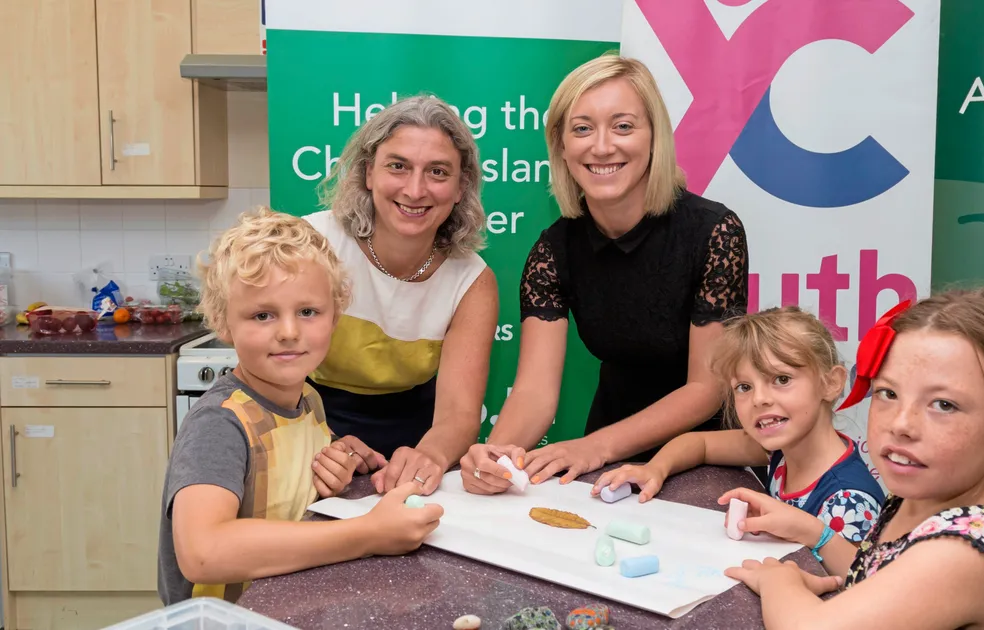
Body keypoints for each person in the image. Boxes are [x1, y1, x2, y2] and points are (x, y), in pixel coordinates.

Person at [460, 53, 749, 493]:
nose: (601, 146)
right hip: (605, 462)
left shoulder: (715, 232)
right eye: (582, 128)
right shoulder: (552, 251)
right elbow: (535, 391)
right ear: (560, 145)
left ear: (655, 137)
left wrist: (595, 447)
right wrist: (497, 455)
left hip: (708, 457)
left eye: (623, 126)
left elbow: (706, 389)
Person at [721, 290, 984, 630]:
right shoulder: (916, 500)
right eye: (888, 393)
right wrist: (814, 532)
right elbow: (877, 571)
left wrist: (779, 582)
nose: (901, 424)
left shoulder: (967, 553)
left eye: (943, 404)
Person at [158, 208, 443, 605]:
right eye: (263, 315)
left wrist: (334, 465)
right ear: (223, 323)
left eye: (308, 312)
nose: (289, 332)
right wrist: (367, 534)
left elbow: (285, 486)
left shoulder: (308, 400)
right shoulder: (220, 424)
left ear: (335, 316)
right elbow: (203, 554)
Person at [306, 95, 499, 497]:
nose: (415, 189)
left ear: (461, 187)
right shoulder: (310, 246)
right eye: (398, 166)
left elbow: (460, 415)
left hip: (415, 447)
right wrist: (317, 441)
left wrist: (427, 457)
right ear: (368, 173)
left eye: (438, 172)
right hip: (305, 434)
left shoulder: (473, 282)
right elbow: (260, 376)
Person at [593, 306, 884, 542]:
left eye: (781, 379)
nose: (759, 399)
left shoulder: (848, 502)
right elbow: (701, 443)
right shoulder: (781, 449)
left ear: (831, 383)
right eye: (744, 387)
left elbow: (856, 597)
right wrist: (655, 468)